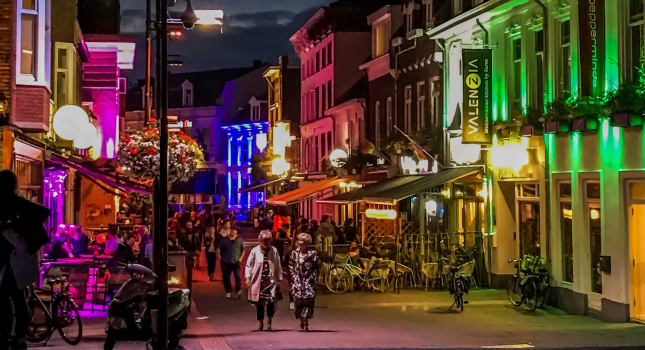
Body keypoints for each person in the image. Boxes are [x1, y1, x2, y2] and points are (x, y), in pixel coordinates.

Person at [0, 170, 51, 350]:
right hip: (16, 257)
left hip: (13, 258)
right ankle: (18, 335)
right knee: (16, 296)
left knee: (6, 295)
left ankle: (8, 334)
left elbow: (43, 211)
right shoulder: (19, 202)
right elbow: (44, 211)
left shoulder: (11, 203)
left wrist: (14, 225)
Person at [245, 230, 283, 331]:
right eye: (264, 240)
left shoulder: (274, 251)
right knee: (260, 303)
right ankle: (260, 324)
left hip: (270, 281)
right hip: (259, 281)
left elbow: (278, 265)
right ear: (260, 240)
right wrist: (248, 278)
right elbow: (249, 265)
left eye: (268, 240)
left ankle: (270, 323)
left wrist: (279, 279)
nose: (266, 242)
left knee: (271, 301)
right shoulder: (255, 251)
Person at [288, 233, 320, 331]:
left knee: (308, 302)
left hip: (308, 282)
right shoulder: (294, 253)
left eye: (304, 242)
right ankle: (301, 320)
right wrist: (293, 277)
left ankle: (306, 321)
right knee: (298, 303)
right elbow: (291, 266)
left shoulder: (313, 254)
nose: (301, 244)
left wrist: (313, 278)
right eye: (300, 242)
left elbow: (317, 267)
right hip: (297, 282)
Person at [218, 228, 245, 299]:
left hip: (236, 261)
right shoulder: (224, 240)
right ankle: (228, 291)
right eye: (232, 231)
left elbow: (243, 250)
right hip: (226, 261)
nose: (233, 232)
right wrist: (220, 257)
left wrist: (240, 258)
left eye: (234, 231)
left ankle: (238, 290)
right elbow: (219, 249)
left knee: (237, 275)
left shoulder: (239, 240)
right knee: (226, 277)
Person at [180, 220, 202, 292]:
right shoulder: (184, 233)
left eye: (190, 225)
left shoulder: (195, 233)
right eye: (188, 225)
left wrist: (198, 249)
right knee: (186, 266)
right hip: (186, 251)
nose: (189, 226)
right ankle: (187, 280)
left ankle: (189, 281)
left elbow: (198, 241)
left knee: (190, 267)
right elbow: (181, 241)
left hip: (192, 251)